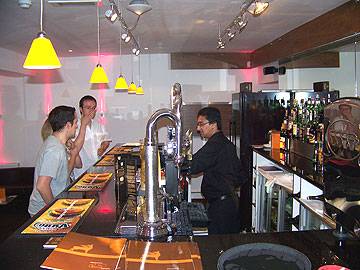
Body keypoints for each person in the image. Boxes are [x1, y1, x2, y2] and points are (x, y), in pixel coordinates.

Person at [190, 107, 245, 235]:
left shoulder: (216, 144)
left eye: (201, 124)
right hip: (227, 203)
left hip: (222, 208)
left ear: (213, 124)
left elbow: (193, 166)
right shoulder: (223, 142)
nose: (198, 129)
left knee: (220, 246)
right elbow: (240, 176)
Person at [28, 106, 91, 216]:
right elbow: (42, 186)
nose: (76, 126)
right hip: (43, 211)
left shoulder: (57, 144)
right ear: (68, 125)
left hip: (51, 205)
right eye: (75, 122)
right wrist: (55, 210)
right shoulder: (54, 150)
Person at [73, 95, 110, 179]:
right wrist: (83, 125)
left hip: (99, 169)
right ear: (81, 109)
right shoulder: (74, 126)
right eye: (88, 108)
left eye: (93, 108)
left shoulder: (98, 125)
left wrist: (104, 146)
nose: (91, 111)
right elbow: (73, 148)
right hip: (81, 172)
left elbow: (105, 141)